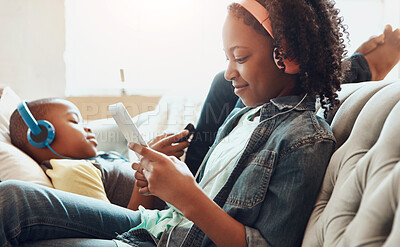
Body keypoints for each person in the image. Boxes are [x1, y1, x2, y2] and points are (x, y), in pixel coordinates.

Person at [0, 1, 391, 247]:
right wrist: (161, 182)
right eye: (227, 56)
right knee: (11, 196)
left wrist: (185, 193)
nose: (228, 73)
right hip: (156, 224)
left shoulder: (304, 141)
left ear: (284, 56)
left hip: (169, 239)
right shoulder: (241, 114)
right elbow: (204, 198)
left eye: (239, 56)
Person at [185, 24, 400, 174]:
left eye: (239, 57)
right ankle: (357, 68)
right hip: (190, 186)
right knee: (245, 86)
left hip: (189, 183)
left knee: (231, 84)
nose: (229, 70)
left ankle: (352, 68)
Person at [9, 98, 188, 208]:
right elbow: (120, 228)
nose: (87, 127)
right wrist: (146, 174)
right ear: (41, 135)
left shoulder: (98, 159)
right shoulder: (72, 171)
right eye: (74, 121)